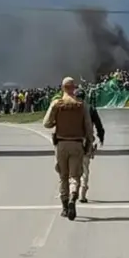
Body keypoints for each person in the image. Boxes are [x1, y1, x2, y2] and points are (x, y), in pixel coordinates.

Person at [43, 77, 94, 221]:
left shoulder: (57, 104)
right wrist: (89, 144)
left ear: (62, 88)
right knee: (75, 176)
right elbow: (89, 128)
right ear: (74, 88)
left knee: (63, 176)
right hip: (77, 144)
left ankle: (65, 207)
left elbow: (46, 123)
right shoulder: (81, 105)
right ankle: (73, 197)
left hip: (61, 144)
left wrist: (55, 122)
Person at [75, 88, 105, 203]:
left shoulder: (71, 107)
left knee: (72, 168)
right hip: (86, 142)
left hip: (72, 141)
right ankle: (82, 193)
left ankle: (73, 191)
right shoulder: (91, 108)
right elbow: (98, 125)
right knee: (85, 168)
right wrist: (101, 137)